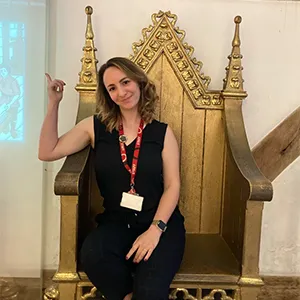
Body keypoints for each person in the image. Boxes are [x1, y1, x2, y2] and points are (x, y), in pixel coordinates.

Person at [38, 57, 186, 300]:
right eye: (112, 88)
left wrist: (155, 230)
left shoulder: (162, 133)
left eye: (125, 82)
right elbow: (47, 151)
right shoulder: (95, 128)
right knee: (93, 255)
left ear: (138, 82)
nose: (121, 92)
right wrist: (54, 104)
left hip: (159, 223)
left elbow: (173, 186)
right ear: (107, 95)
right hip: (116, 223)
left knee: (149, 291)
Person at [0, 63, 21, 138]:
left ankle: (13, 130)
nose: (2, 72)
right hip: (3, 100)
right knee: (4, 115)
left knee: (13, 118)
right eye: (1, 71)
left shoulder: (13, 81)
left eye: (4, 71)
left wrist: (9, 104)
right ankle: (5, 127)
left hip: (13, 101)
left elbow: (17, 94)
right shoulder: (1, 79)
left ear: (8, 71)